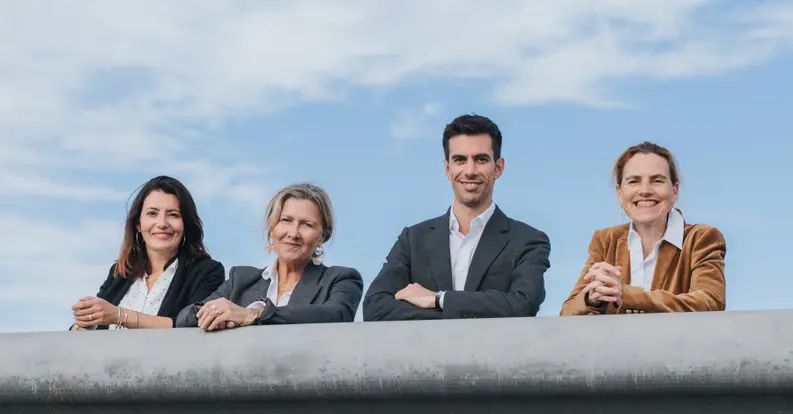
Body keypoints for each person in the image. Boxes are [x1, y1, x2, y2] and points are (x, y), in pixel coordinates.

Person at [363, 113, 551, 321]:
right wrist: (453, 315)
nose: (470, 171)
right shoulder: (413, 239)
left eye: (480, 159)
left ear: (498, 168)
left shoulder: (528, 241)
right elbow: (375, 307)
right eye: (460, 160)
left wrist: (439, 300)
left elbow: (523, 304)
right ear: (447, 169)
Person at [561, 142, 726, 315]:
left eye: (657, 181)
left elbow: (710, 301)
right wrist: (591, 298)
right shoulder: (606, 240)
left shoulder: (701, 238)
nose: (645, 190)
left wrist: (626, 295)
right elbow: (566, 313)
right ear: (619, 192)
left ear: (675, 190)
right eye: (634, 181)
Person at [176, 183, 362, 330]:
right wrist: (215, 314)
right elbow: (184, 317)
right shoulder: (240, 279)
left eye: (306, 224)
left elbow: (337, 314)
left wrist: (253, 314)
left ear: (322, 236)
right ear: (273, 228)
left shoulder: (341, 279)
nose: (293, 233)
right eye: (286, 220)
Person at [70, 175, 225, 330]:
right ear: (138, 224)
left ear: (185, 225)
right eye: (152, 213)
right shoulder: (119, 273)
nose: (162, 224)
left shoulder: (207, 272)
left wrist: (120, 315)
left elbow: (193, 324)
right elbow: (96, 324)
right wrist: (83, 321)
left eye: (173, 215)